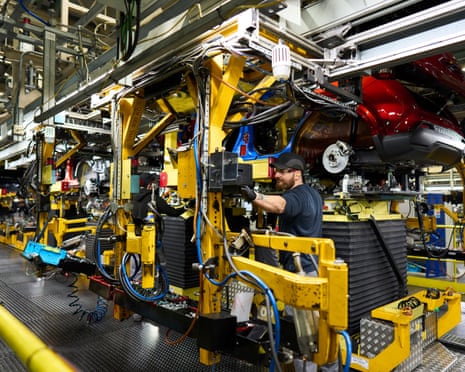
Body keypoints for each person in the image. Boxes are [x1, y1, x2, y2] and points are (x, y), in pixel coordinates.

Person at [241, 152, 323, 273]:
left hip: (299, 269)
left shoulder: (296, 196)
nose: (276, 175)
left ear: (297, 174)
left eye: (282, 171)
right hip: (312, 265)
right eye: (276, 171)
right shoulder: (314, 194)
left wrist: (254, 196)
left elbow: (280, 205)